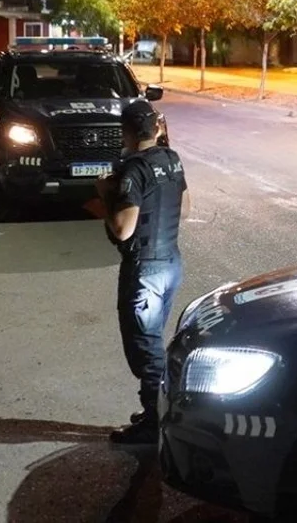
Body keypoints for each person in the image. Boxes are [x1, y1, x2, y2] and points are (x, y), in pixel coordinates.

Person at [95, 100, 189, 444]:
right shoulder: (171, 159)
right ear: (157, 128)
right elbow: (185, 208)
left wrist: (105, 196)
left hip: (145, 268)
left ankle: (155, 422)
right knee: (151, 342)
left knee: (145, 350)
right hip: (170, 262)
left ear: (126, 133)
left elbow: (123, 229)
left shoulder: (133, 170)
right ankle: (156, 409)